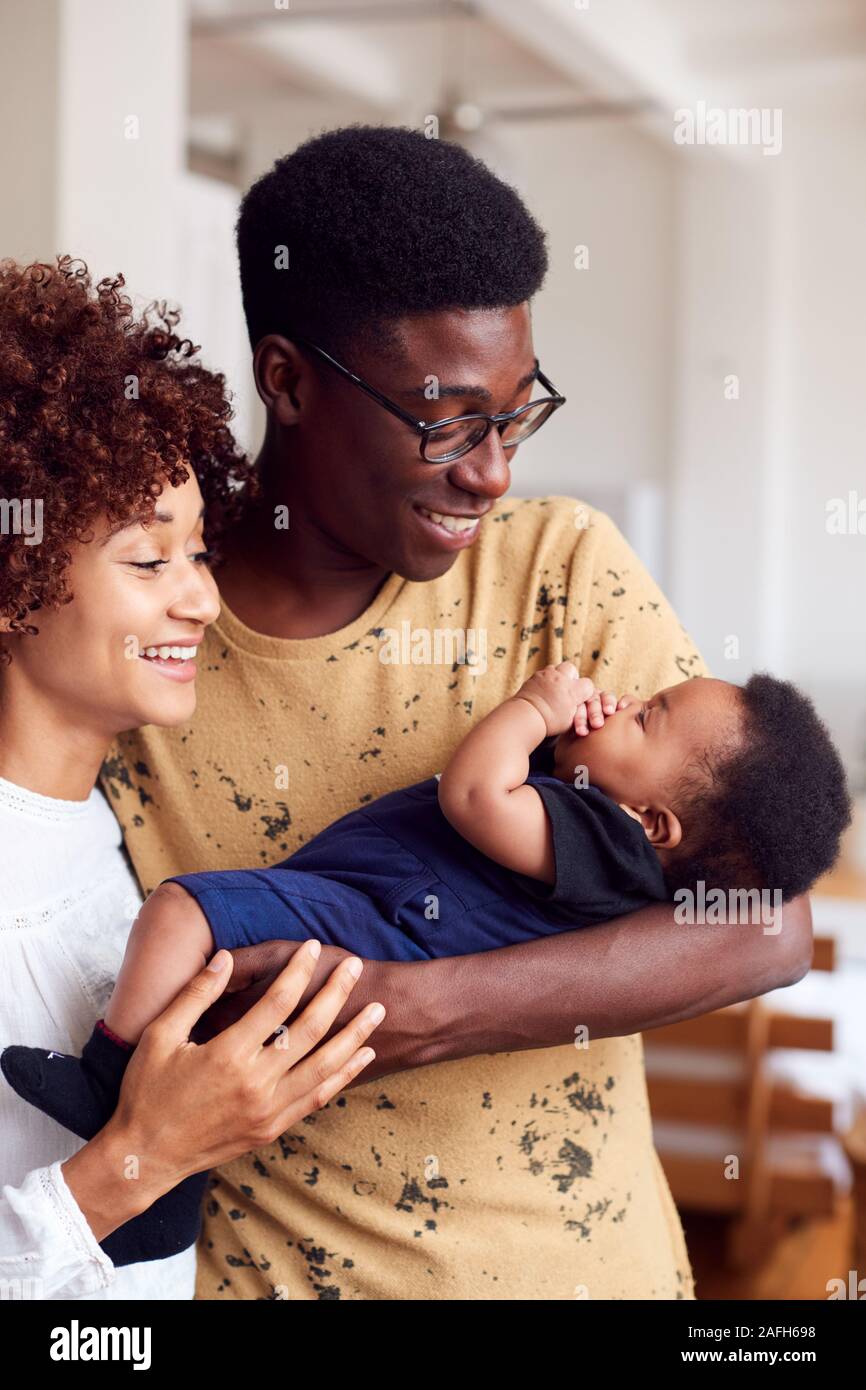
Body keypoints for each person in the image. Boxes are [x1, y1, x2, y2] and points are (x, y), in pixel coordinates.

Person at [103, 125, 814, 1301]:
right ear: (285, 381)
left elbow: (762, 924)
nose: (490, 472)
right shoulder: (141, 628)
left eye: (515, 413)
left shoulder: (558, 569)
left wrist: (427, 1010)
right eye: (446, 420)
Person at [3, 660, 849, 1268]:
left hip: (377, 924)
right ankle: (167, 1191)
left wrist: (535, 705)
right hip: (379, 910)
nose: (620, 697)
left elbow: (476, 795)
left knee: (180, 911)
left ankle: (110, 1073)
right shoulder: (620, 845)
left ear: (651, 824)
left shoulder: (599, 840)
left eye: (646, 717)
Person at [0, 255, 383, 1299]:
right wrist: (147, 1153)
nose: (201, 602)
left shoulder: (110, 825)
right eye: (148, 560)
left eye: (200, 554)